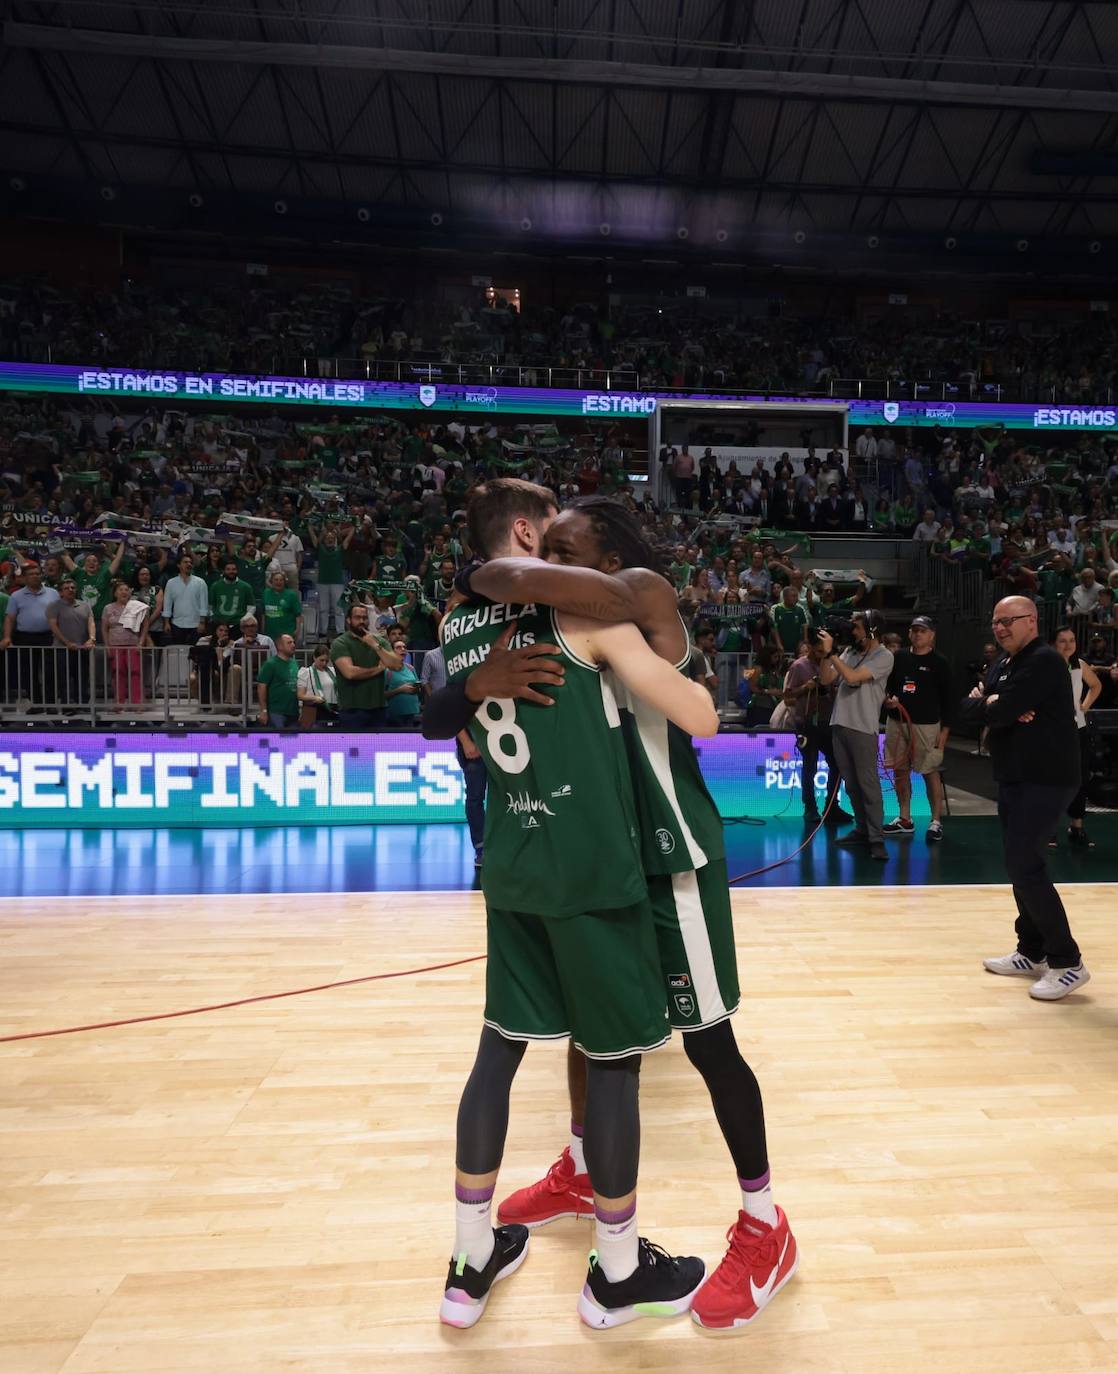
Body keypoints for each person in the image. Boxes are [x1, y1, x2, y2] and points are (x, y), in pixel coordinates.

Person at [432, 487, 794, 1333]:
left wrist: (488, 571)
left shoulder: (636, 597)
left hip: (672, 859)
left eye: (566, 550)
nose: (549, 563)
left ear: (604, 559)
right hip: (608, 858)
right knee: (590, 1037)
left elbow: (699, 716)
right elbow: (451, 697)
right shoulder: (551, 622)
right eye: (544, 545)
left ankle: (766, 1223)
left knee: (709, 1044)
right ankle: (585, 1163)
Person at [963, 596, 1089, 1001]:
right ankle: (1031, 950)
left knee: (1026, 865)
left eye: (1008, 621)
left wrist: (997, 703)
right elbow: (968, 710)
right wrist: (994, 702)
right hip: (1015, 777)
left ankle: (1067, 963)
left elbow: (996, 711)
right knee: (1020, 865)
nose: (1000, 628)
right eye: (996, 621)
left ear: (1031, 621)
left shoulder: (1044, 660)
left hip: (1047, 779)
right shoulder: (1004, 662)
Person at [817, 611, 894, 861]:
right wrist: (824, 654)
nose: (854, 632)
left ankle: (877, 838)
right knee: (851, 785)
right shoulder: (849, 652)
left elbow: (852, 677)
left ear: (873, 630)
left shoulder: (884, 656)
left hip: (863, 728)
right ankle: (862, 830)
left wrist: (832, 655)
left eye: (858, 628)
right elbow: (827, 678)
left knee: (868, 785)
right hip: (839, 723)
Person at [882, 616, 953, 843]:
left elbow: (950, 701)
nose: (917, 634)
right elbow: (887, 688)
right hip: (897, 722)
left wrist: (943, 735)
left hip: (927, 726)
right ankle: (905, 818)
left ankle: (935, 821)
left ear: (931, 634)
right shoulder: (899, 657)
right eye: (914, 630)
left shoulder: (940, 662)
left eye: (922, 631)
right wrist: (889, 700)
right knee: (899, 769)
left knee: (930, 771)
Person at [783, 636, 849, 824]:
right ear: (811, 648)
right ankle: (810, 807)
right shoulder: (798, 666)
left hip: (829, 721)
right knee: (810, 764)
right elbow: (788, 695)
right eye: (819, 651)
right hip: (806, 722)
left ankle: (832, 806)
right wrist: (805, 687)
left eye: (825, 652)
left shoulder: (831, 665)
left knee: (837, 763)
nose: (822, 656)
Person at [1051, 625, 1102, 849]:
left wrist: (1084, 706)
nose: (1068, 644)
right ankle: (1049, 829)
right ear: (1054, 643)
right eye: (1063, 640)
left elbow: (1096, 685)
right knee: (1051, 780)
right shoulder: (1046, 665)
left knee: (1079, 777)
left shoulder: (1079, 665)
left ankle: (1077, 826)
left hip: (1077, 729)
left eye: (1071, 640)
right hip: (1051, 731)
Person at [329, 602, 403, 730]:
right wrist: (379, 668)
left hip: (379, 709)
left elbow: (396, 665)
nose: (362, 621)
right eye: (357, 618)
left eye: (364, 618)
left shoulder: (379, 641)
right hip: (352, 710)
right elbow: (350, 673)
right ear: (348, 620)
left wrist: (375, 646)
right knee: (354, 749)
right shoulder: (340, 643)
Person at [1, 562, 60, 711]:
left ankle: (51, 704)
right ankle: (36, 703)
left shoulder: (53, 593)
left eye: (37, 573)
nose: (34, 576)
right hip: (24, 637)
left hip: (48, 637)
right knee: (28, 672)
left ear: (41, 575)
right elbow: (10, 618)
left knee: (50, 671)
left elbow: (60, 615)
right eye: (31, 574)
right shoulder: (16, 596)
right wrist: (7, 637)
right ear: (25, 578)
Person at [46, 575, 95, 711]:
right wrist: (66, 642)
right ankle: (67, 706)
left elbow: (91, 622)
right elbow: (53, 626)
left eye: (73, 587)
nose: (70, 590)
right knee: (64, 679)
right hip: (62, 649)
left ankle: (83, 705)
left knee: (82, 678)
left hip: (82, 648)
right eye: (66, 588)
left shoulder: (85, 605)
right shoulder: (54, 606)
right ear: (61, 592)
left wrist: (91, 638)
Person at [101, 579, 148, 709]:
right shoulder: (108, 608)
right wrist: (107, 645)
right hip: (115, 645)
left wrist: (141, 641)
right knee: (118, 672)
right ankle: (119, 702)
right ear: (115, 593)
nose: (124, 592)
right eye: (120, 590)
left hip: (133, 644)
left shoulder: (136, 607)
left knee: (136, 672)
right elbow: (104, 628)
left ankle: (138, 702)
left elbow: (145, 625)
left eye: (126, 590)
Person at [162, 552, 209, 646]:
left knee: (195, 653)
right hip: (177, 624)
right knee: (179, 653)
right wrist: (166, 623)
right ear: (179, 565)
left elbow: (204, 604)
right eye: (185, 562)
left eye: (190, 562)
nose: (189, 564)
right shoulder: (171, 583)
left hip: (196, 624)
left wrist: (202, 622)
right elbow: (167, 604)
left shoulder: (200, 582)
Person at [256, 633, 300, 728]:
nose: (293, 645)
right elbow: (261, 687)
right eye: (289, 643)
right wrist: (263, 710)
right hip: (276, 712)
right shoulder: (270, 664)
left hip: (293, 712)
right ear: (280, 646)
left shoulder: (294, 663)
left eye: (293, 642)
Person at [384, 629, 423, 726]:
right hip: (395, 715)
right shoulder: (387, 670)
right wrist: (400, 690)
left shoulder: (411, 668)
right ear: (392, 652)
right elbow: (381, 696)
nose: (403, 649)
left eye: (404, 647)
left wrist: (416, 688)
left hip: (413, 712)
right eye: (398, 647)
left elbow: (418, 689)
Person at [297, 642, 338, 727]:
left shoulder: (333, 671)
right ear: (314, 657)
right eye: (321, 660)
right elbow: (300, 695)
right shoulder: (306, 672)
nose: (324, 663)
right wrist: (314, 698)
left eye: (326, 661)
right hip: (314, 709)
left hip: (332, 709)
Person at [262, 569, 303, 645]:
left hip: (287, 634)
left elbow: (298, 615)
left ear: (284, 582)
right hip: (270, 634)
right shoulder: (265, 593)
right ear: (271, 581)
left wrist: (297, 630)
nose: (278, 582)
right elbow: (263, 613)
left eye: (281, 580)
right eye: (276, 580)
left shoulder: (291, 595)